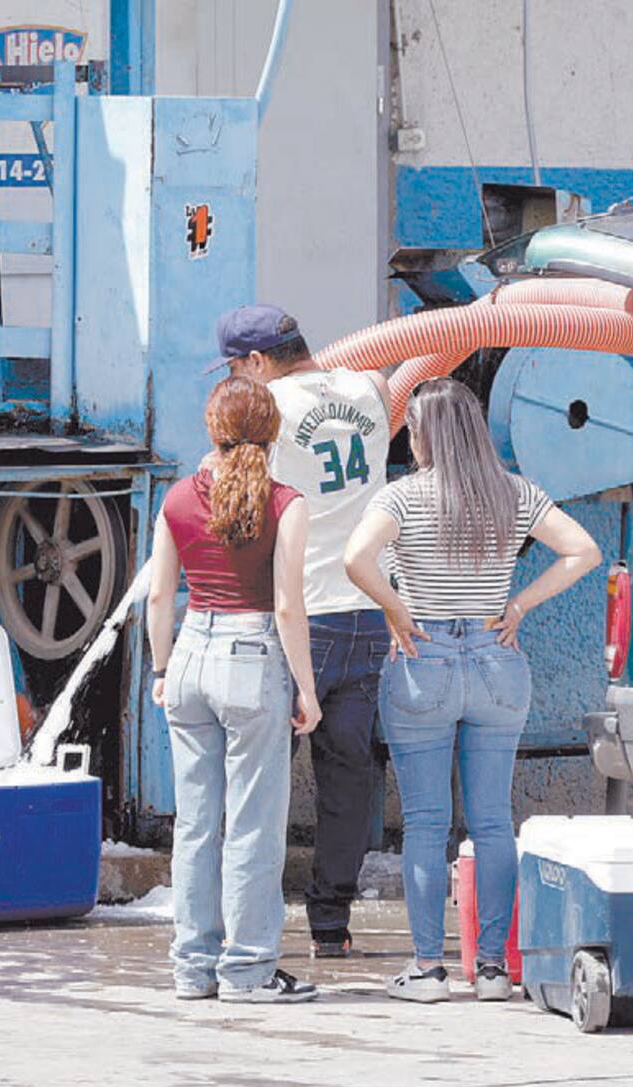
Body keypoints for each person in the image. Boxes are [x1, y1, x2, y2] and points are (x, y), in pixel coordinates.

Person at [344, 378, 602, 1003]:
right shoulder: (513, 494)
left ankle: (429, 970)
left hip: (422, 659)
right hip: (497, 663)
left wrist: (396, 609)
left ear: (425, 432)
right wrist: (520, 603)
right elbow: (584, 551)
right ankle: (492, 970)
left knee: (428, 824)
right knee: (492, 822)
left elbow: (355, 558)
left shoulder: (402, 496)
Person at [207, 304, 391, 959]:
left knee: (262, 776)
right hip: (368, 612)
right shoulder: (369, 387)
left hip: (299, 613)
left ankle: (245, 922)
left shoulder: (267, 410)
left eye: (234, 368)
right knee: (348, 776)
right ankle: (331, 925)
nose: (233, 382)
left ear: (257, 362)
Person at [147, 376, 321, 1003]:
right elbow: (287, 609)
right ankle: (246, 972)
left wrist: (163, 671)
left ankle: (193, 970)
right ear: (273, 432)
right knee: (252, 826)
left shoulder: (177, 500)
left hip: (190, 652)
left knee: (195, 826)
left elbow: (162, 596)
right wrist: (307, 688)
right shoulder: (287, 503)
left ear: (210, 429)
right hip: (252, 660)